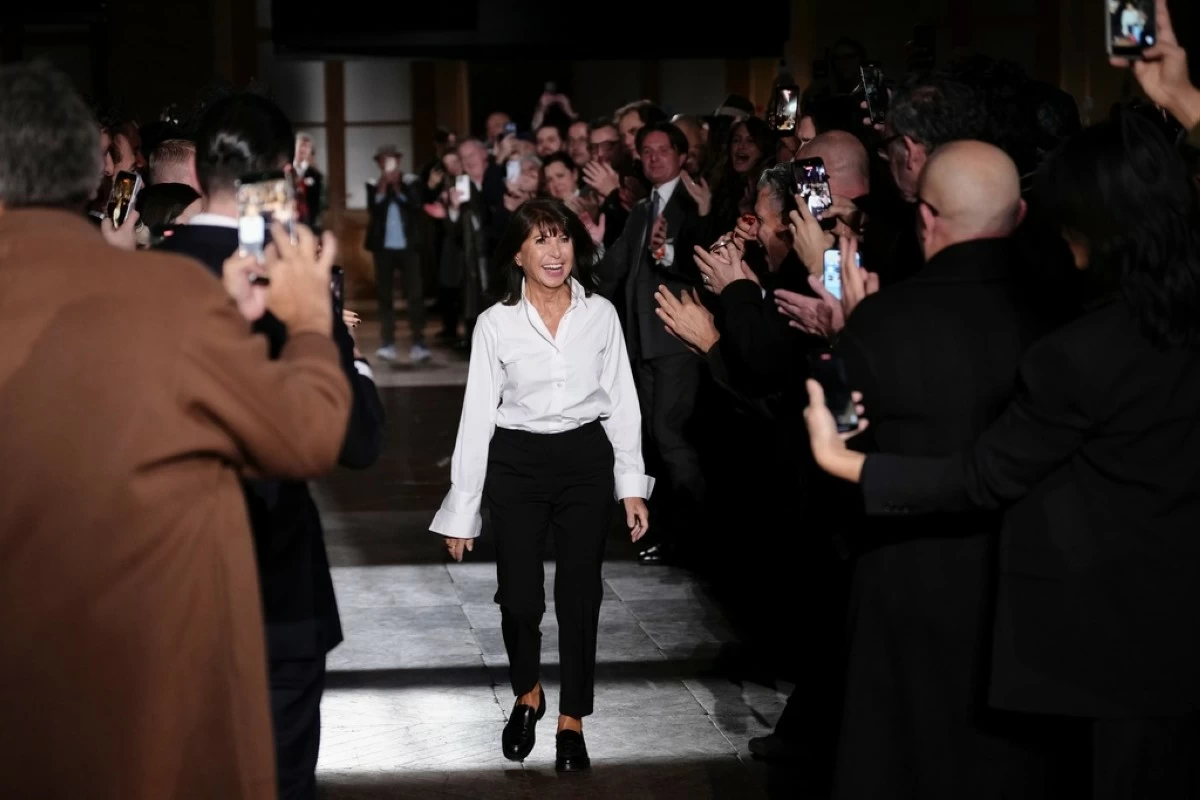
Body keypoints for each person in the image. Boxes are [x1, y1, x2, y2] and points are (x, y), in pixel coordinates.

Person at [805, 112, 1200, 799]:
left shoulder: (890, 320)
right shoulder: (1079, 314)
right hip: (1063, 603)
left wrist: (836, 345)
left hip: (915, 578)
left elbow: (843, 431)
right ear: (1020, 216)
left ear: (925, 217)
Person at [0, 61, 351, 800]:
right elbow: (309, 433)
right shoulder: (165, 296)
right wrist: (309, 327)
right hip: (144, 687)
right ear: (92, 169)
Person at [431, 198, 652, 772]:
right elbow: (476, 417)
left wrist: (631, 484)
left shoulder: (600, 314)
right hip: (518, 463)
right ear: (518, 254)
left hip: (584, 461)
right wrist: (463, 510)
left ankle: (572, 720)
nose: (555, 252)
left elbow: (622, 401)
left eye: (563, 239)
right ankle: (528, 692)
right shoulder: (495, 324)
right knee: (518, 598)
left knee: (580, 594)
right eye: (541, 240)